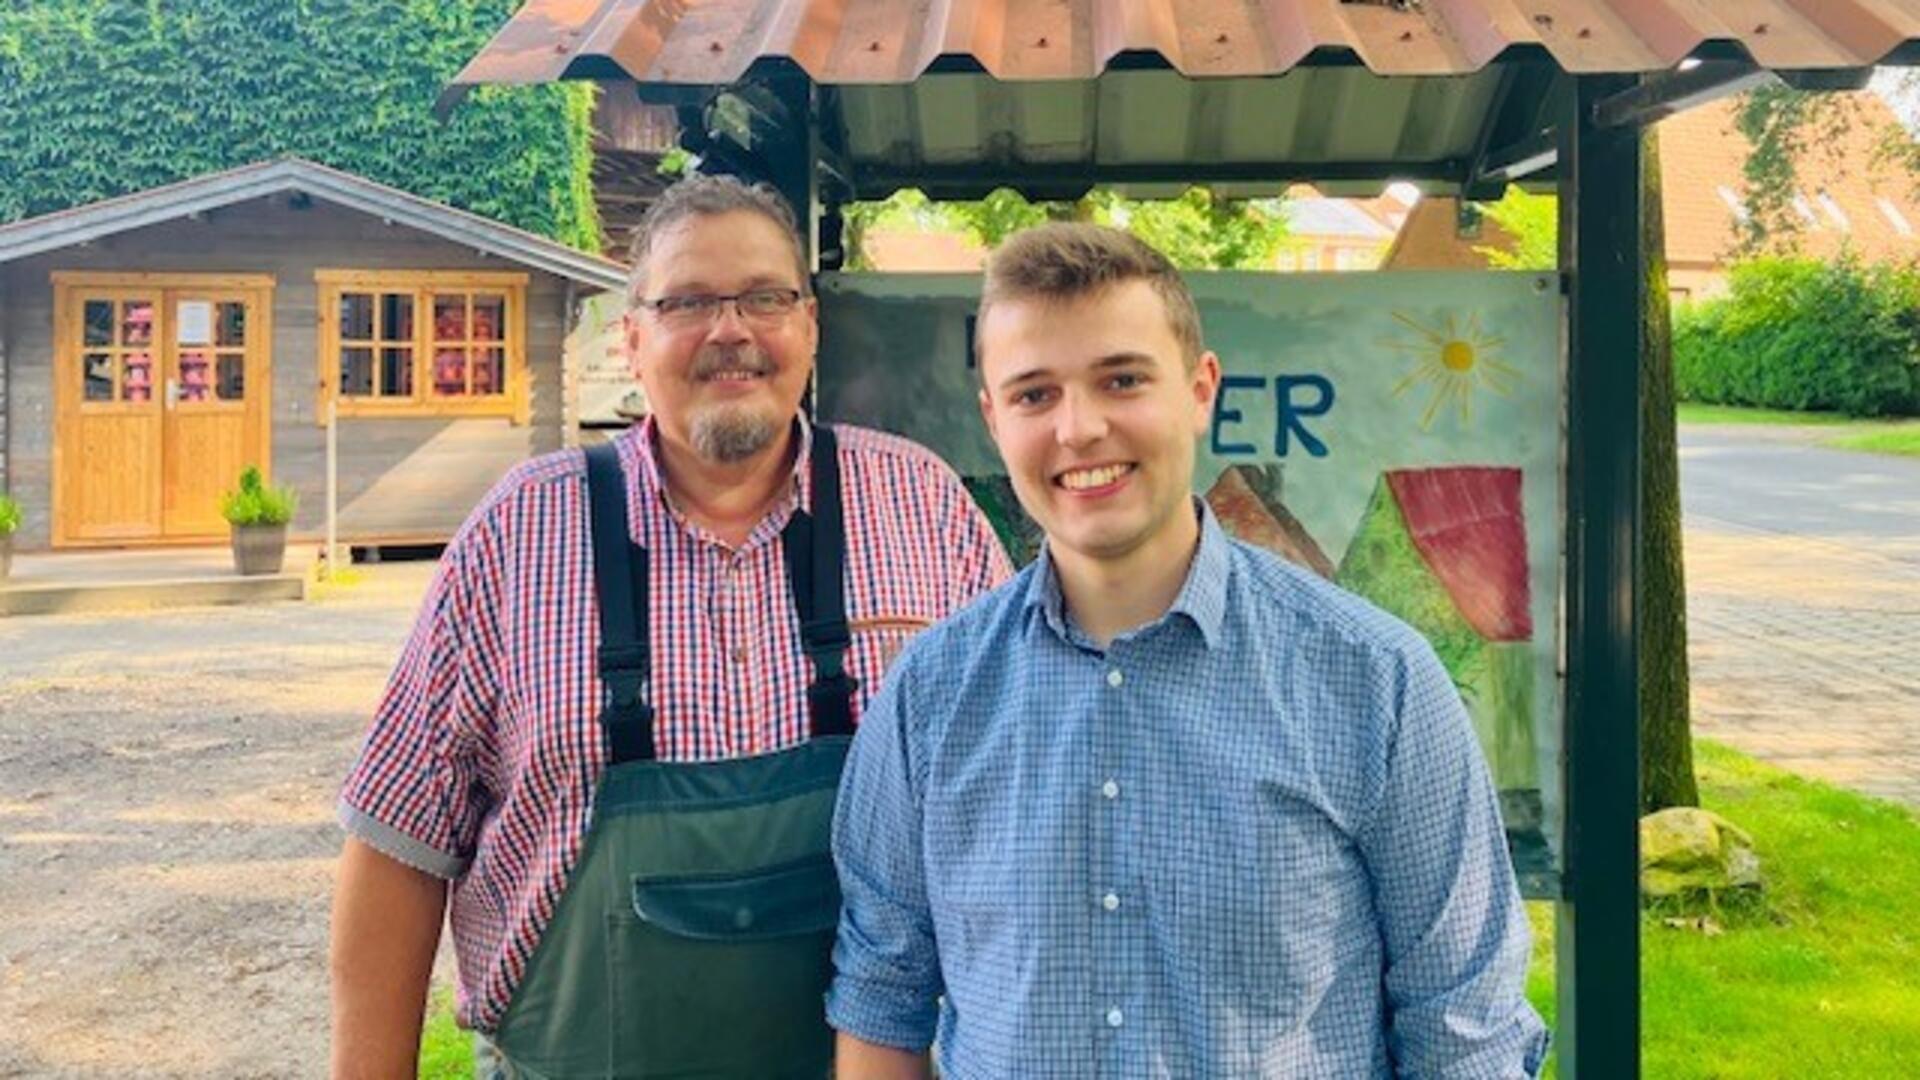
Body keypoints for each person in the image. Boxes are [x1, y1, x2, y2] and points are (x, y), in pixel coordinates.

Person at [328, 174, 1012, 1079]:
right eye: (688, 301)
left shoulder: (921, 507)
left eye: (764, 297)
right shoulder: (520, 532)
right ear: (633, 336)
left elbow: (1021, 806)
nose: (731, 330)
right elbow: (396, 848)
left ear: (809, 324)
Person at [828, 223, 1549, 1078]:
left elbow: (1466, 1032)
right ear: (993, 418)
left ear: (1201, 390)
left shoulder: (1376, 682)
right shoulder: (929, 699)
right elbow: (884, 1001)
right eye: (1034, 395)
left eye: (1121, 379)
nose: (1080, 428)